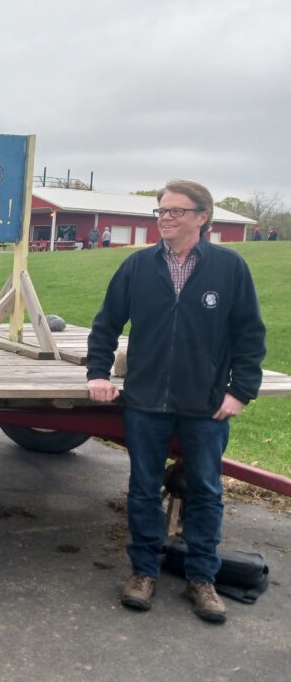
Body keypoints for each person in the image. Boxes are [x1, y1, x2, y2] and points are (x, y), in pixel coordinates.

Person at [86, 180, 265, 624]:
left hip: (204, 406)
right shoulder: (137, 267)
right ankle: (143, 573)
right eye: (160, 211)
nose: (165, 218)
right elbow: (107, 324)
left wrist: (240, 390)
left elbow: (249, 334)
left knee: (205, 492)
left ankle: (202, 578)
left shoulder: (229, 268)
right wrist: (97, 374)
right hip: (145, 402)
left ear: (202, 217)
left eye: (175, 211)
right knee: (143, 491)